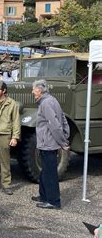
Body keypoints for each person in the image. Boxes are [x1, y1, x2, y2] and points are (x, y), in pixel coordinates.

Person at [31, 79, 70, 210]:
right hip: (46, 143)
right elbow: (63, 118)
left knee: (50, 173)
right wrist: (65, 135)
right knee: (44, 172)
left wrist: (63, 142)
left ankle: (53, 201)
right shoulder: (51, 100)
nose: (32, 92)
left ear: (40, 91)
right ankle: (44, 196)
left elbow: (54, 125)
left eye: (34, 89)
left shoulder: (46, 103)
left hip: (48, 144)